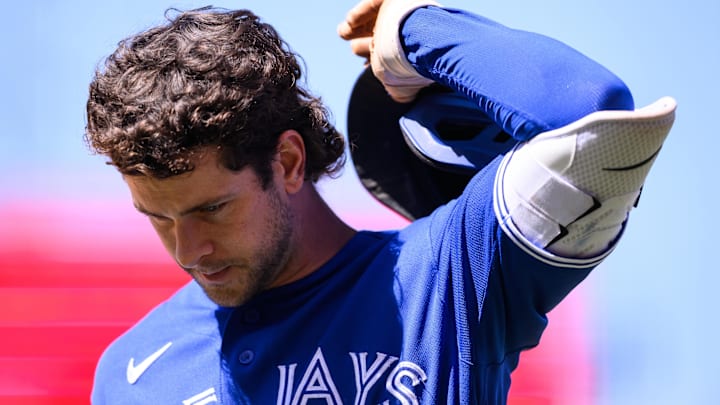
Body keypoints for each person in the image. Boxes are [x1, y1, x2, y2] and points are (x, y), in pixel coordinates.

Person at [85, 0, 675, 403]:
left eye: (210, 209)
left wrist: (416, 30)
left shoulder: (448, 275)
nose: (189, 250)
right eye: (159, 218)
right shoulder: (130, 371)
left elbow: (600, 123)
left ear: (287, 162)